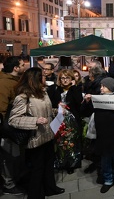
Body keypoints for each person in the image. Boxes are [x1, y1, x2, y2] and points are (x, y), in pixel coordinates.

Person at [8, 67, 65, 198]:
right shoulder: (23, 97)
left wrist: (58, 111)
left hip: (48, 135)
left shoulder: (44, 93)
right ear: (36, 79)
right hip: (35, 139)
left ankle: (50, 188)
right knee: (37, 170)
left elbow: (47, 111)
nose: (45, 78)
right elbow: (14, 119)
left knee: (49, 165)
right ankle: (36, 195)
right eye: (43, 76)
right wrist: (35, 120)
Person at [81, 77, 114, 194]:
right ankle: (107, 180)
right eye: (101, 86)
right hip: (102, 135)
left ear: (111, 88)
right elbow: (85, 112)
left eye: (103, 86)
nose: (101, 88)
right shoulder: (97, 98)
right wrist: (87, 102)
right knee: (105, 160)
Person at [0, 56, 25, 195]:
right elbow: (1, 108)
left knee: (13, 156)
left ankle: (13, 178)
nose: (23, 67)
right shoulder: (4, 84)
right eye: (22, 65)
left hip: (13, 126)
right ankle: (9, 184)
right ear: (15, 68)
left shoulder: (13, 81)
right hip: (7, 128)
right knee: (8, 157)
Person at [51, 70, 83, 174]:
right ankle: (61, 162)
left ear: (71, 79)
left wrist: (73, 87)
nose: (65, 80)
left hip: (72, 119)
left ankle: (71, 163)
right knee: (60, 141)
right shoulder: (56, 89)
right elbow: (52, 103)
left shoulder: (75, 89)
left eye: (67, 78)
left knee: (71, 141)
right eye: (63, 78)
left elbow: (78, 101)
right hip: (60, 118)